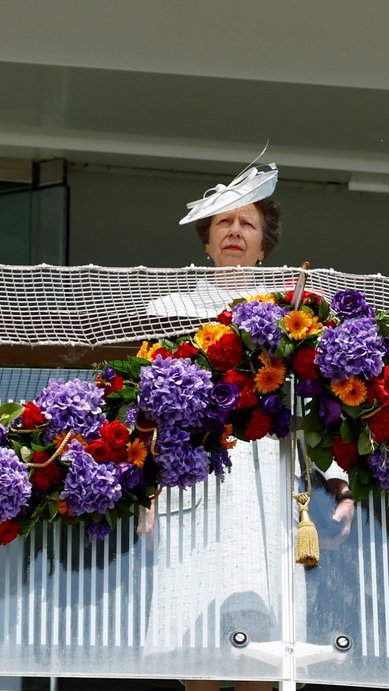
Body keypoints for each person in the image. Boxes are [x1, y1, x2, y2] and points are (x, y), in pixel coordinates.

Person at [145, 160, 355, 691]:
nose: (234, 231)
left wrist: (339, 481)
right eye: (223, 222)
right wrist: (145, 488)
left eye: (248, 223)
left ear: (265, 245)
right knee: (197, 644)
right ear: (207, 240)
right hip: (191, 483)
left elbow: (316, 405)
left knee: (264, 647)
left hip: (266, 484)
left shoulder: (293, 314)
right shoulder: (167, 310)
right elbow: (147, 409)